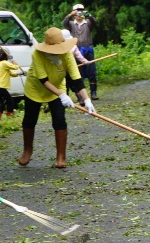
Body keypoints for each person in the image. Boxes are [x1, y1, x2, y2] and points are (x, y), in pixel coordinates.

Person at [19, 27, 94, 169]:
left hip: (58, 87)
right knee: (30, 119)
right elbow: (44, 80)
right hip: (35, 88)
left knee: (59, 119)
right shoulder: (37, 54)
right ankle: (27, 150)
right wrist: (63, 96)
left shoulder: (67, 55)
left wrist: (87, 100)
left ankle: (61, 156)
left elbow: (76, 79)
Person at [61, 4, 98, 101]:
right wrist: (70, 15)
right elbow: (64, 24)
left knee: (91, 71)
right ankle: (81, 95)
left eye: (81, 11)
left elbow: (94, 22)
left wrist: (89, 15)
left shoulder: (88, 23)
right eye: (77, 11)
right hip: (76, 50)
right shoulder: (72, 24)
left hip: (88, 48)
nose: (79, 13)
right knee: (78, 73)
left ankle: (93, 92)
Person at [0, 48, 24, 122]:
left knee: (1, 103)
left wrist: (20, 73)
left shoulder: (0, 64)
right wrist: (12, 60)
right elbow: (15, 67)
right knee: (10, 101)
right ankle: (10, 113)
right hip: (0, 86)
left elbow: (11, 73)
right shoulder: (4, 63)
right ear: (6, 56)